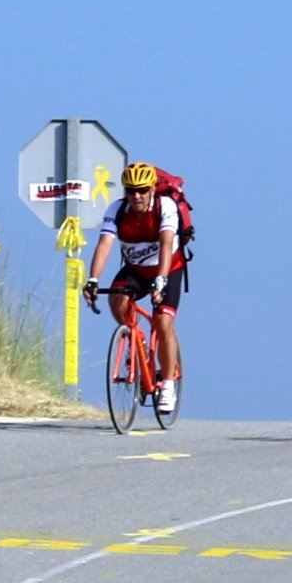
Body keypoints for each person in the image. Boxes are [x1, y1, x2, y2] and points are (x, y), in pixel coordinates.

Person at [87, 160, 191, 416]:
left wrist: (162, 279)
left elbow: (166, 244)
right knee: (117, 300)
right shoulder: (117, 210)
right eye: (130, 190)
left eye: (142, 190)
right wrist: (93, 280)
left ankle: (167, 385)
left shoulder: (164, 207)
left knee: (162, 322)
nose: (136, 196)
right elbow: (104, 245)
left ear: (152, 190)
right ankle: (137, 340)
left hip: (168, 269)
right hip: (135, 270)